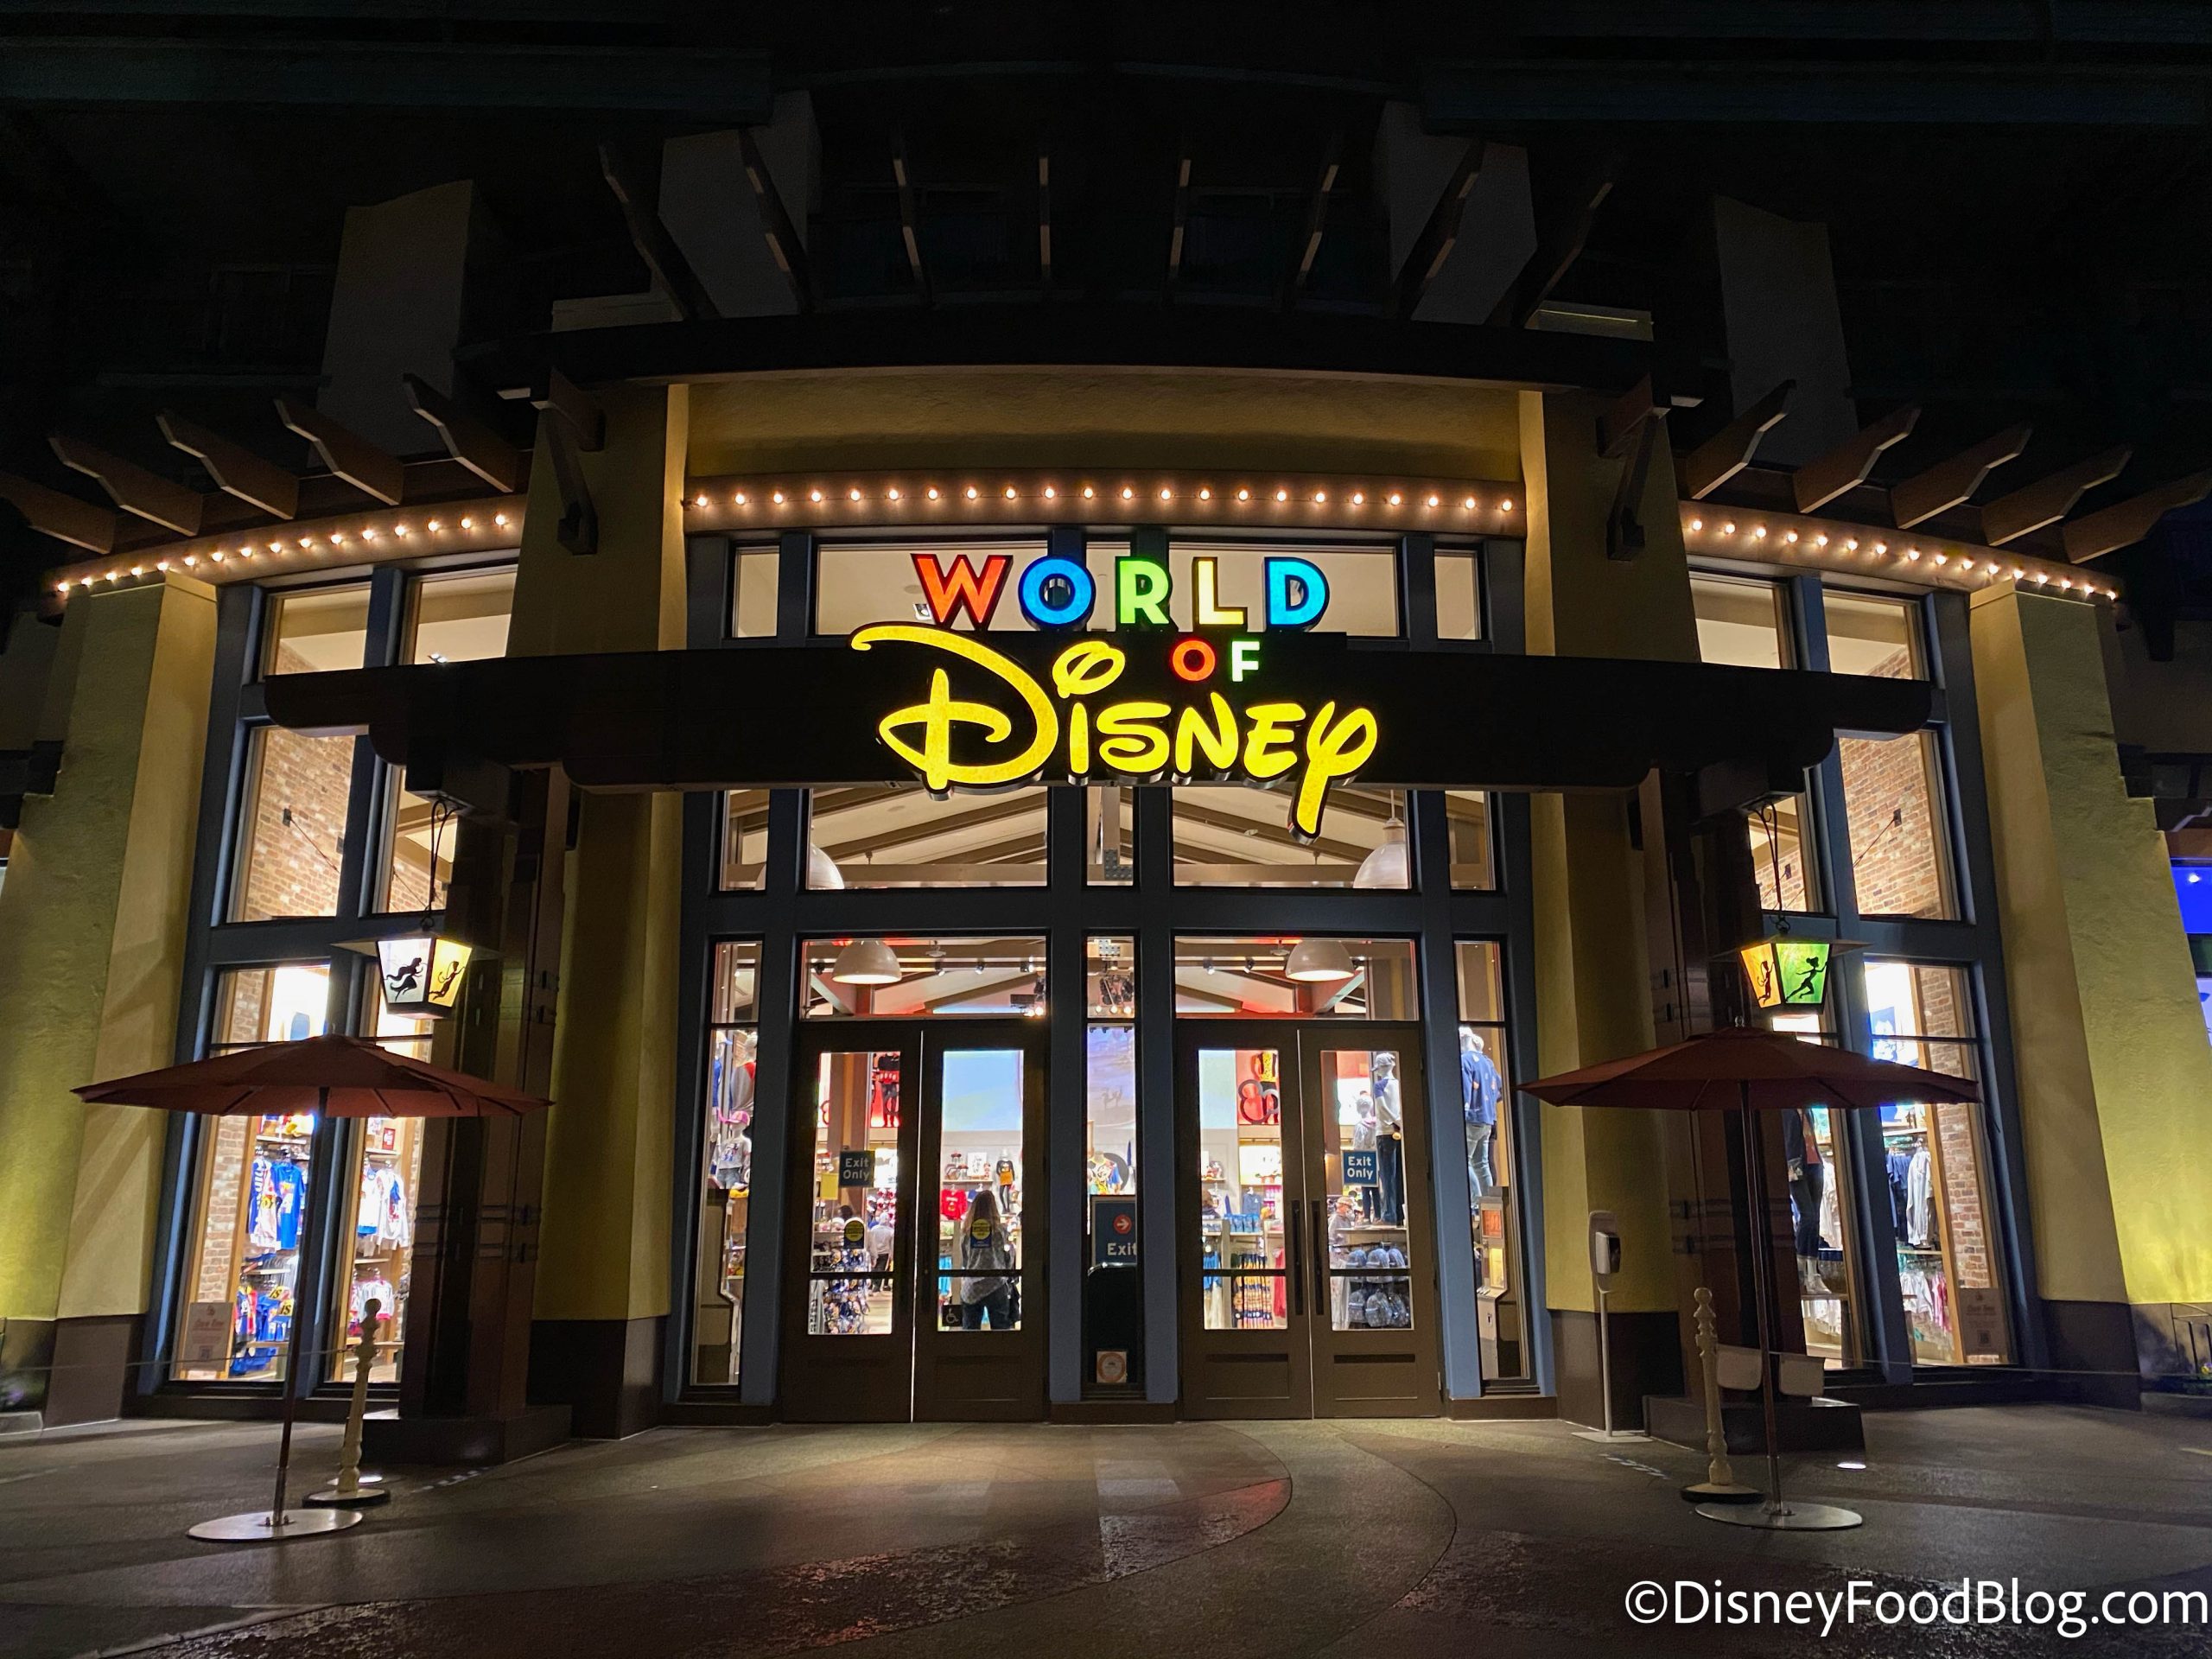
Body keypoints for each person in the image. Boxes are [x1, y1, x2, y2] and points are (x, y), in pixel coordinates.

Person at [959, 1185, 1017, 1329]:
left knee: (970, 1332)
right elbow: (1008, 1257)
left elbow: (965, 1260)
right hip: (996, 1284)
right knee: (1000, 1330)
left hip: (971, 1287)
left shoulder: (967, 1232)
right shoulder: (1000, 1231)